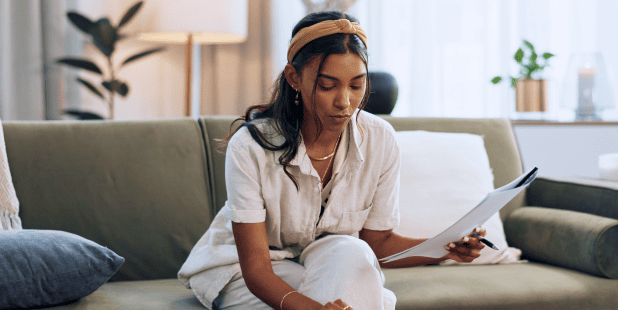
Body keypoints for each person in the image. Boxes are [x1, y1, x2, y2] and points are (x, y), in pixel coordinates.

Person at [178, 10, 486, 310]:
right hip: (245, 274)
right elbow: (257, 270)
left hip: (325, 262)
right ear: (294, 78)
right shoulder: (251, 146)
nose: (345, 101)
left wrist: (446, 249)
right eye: (327, 85)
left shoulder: (379, 139)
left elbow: (376, 245)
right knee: (360, 292)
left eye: (356, 85)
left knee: (352, 251)